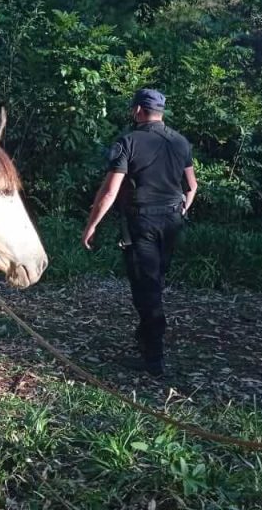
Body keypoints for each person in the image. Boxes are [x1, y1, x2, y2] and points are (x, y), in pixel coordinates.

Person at [81, 88, 198, 377]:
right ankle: (145, 335)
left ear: (138, 110)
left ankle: (154, 359)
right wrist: (183, 211)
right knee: (154, 281)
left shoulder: (127, 142)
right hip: (171, 221)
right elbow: (192, 186)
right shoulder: (180, 141)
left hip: (141, 222)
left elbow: (110, 191)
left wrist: (92, 224)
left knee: (146, 289)